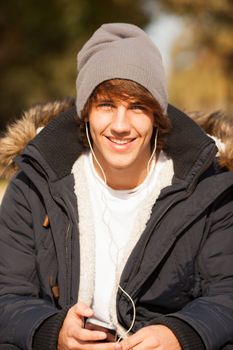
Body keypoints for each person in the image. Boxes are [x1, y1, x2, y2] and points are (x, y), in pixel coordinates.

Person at [0, 22, 233, 350]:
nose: (121, 125)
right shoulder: (33, 183)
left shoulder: (212, 187)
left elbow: (227, 294)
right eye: (106, 105)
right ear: (85, 114)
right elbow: (7, 297)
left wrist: (182, 334)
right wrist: (53, 333)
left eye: (137, 106)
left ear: (157, 115)